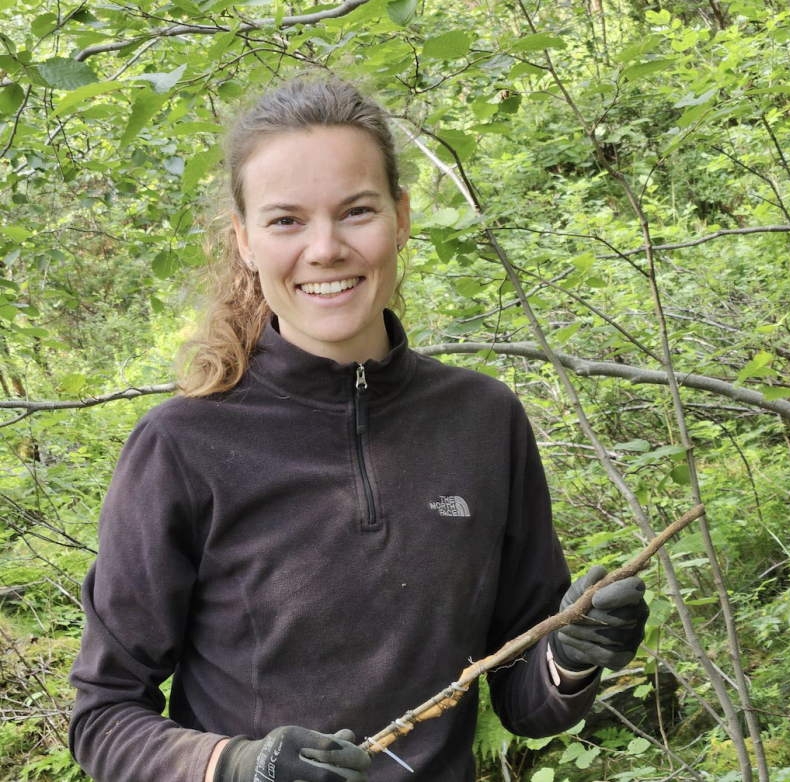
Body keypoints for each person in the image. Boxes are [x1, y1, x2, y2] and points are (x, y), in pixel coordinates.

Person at [68, 76, 649, 782]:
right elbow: (102, 718)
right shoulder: (181, 447)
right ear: (245, 241)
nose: (326, 248)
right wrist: (235, 765)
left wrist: (571, 657)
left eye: (357, 211)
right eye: (286, 221)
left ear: (401, 218)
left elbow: (525, 700)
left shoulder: (484, 420)